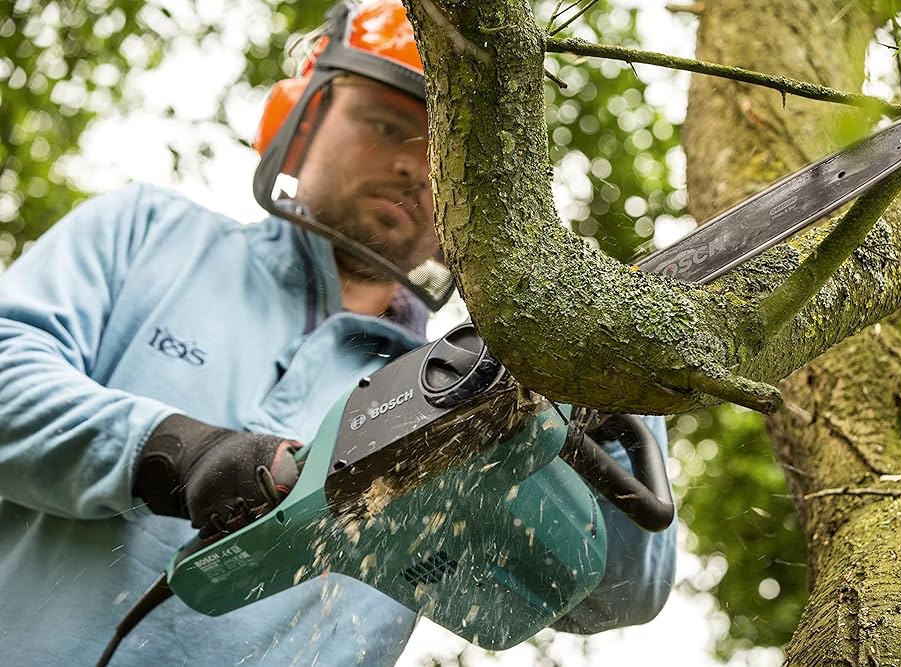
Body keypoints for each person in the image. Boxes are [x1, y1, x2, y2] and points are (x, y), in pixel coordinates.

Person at [0, 1, 677, 664]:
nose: (416, 165)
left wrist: (607, 387)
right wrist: (176, 450)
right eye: (386, 125)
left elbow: (615, 592)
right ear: (302, 116)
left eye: (446, 150)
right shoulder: (149, 234)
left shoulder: (459, 400)